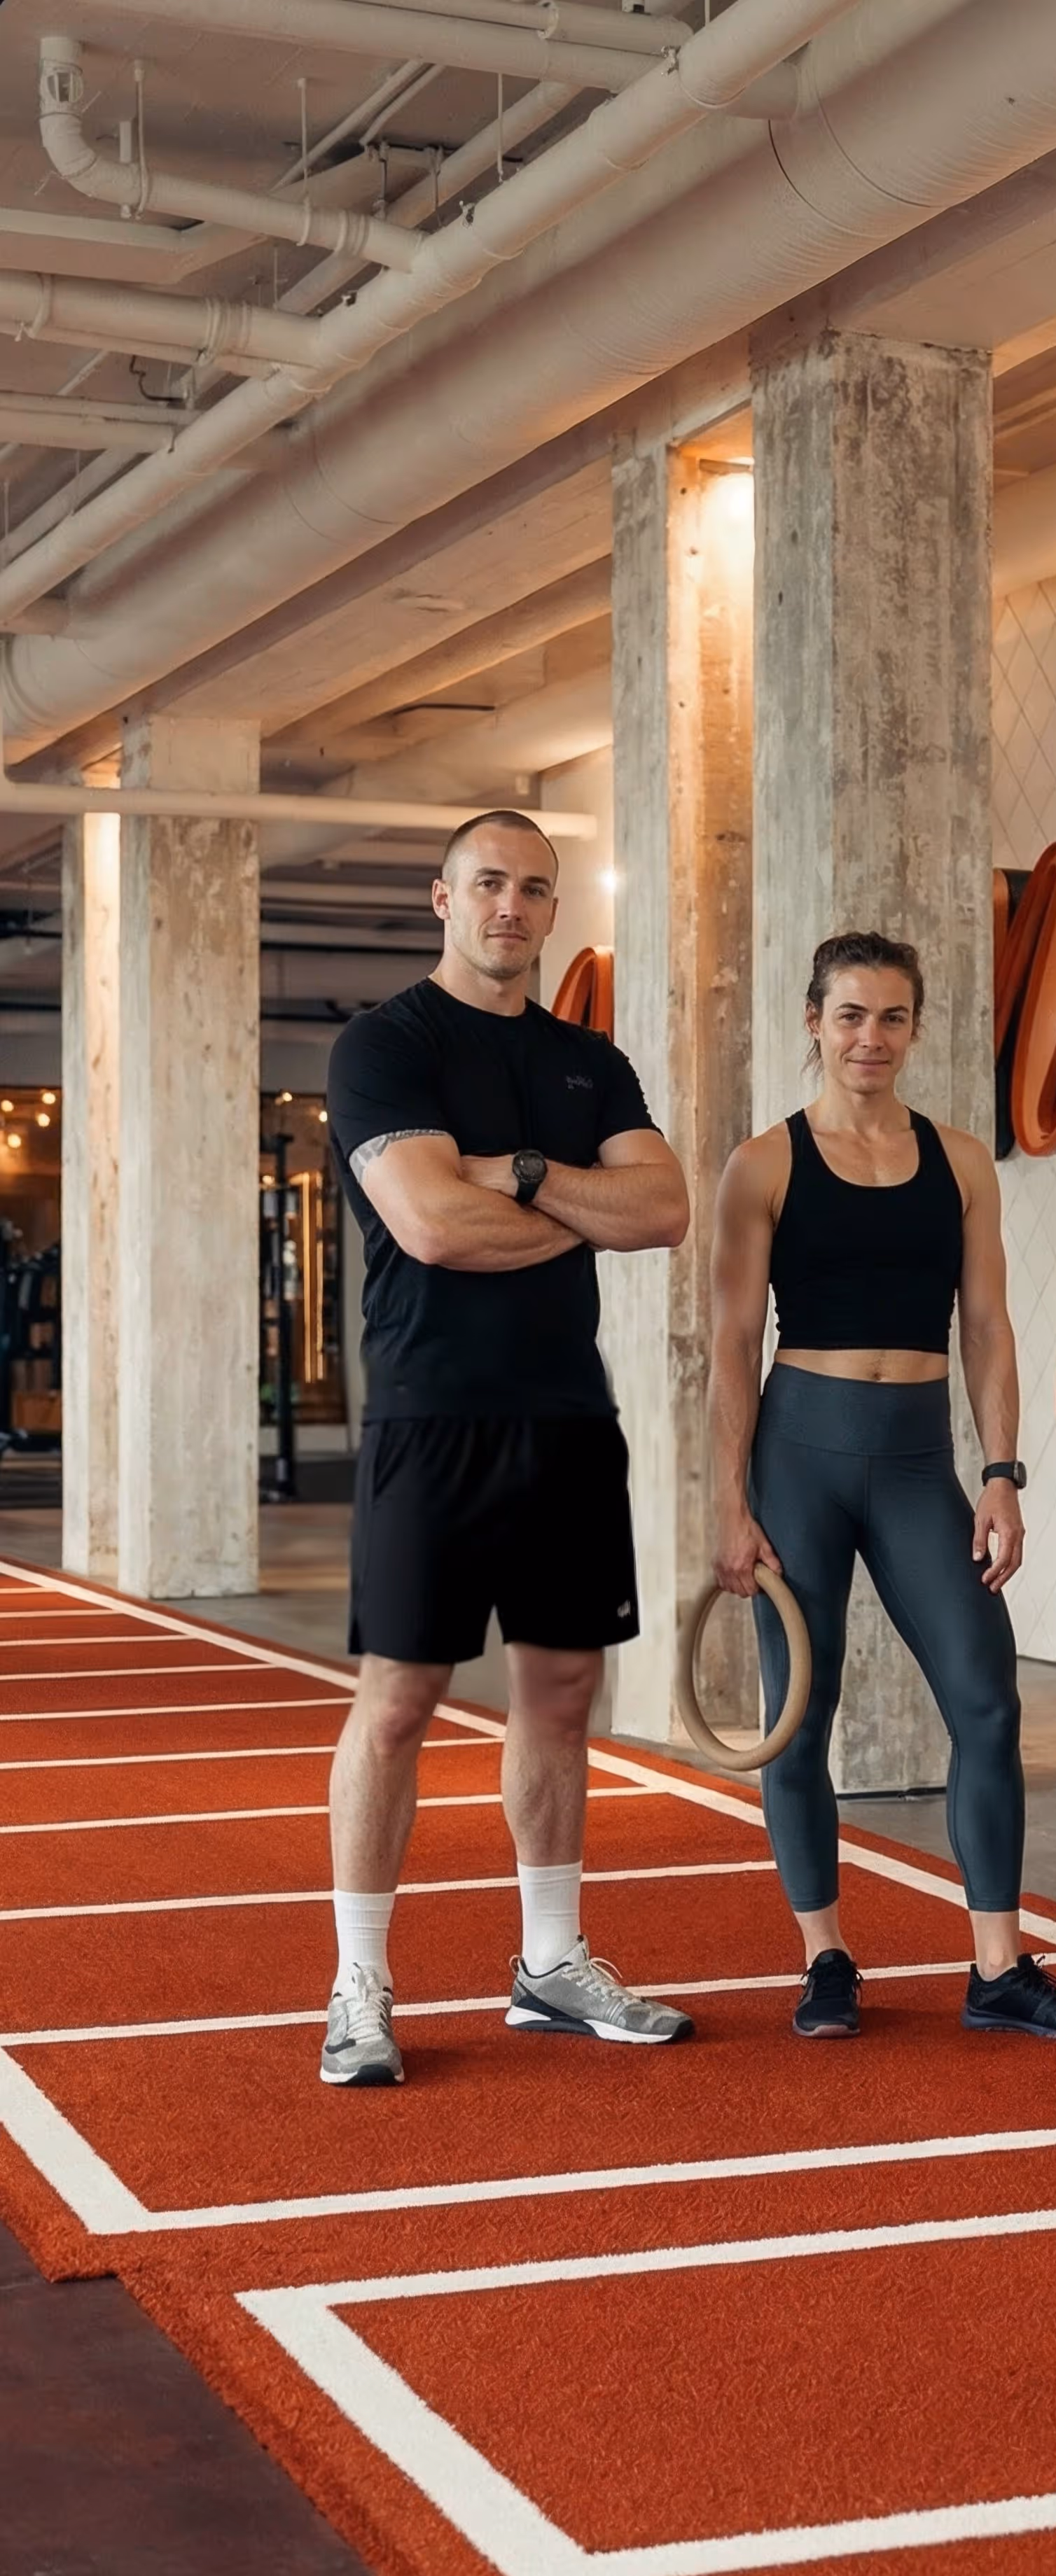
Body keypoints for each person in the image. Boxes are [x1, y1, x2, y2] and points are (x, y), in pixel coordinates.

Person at [318, 809, 693, 2087]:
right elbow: (429, 1225)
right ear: (441, 896)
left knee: (559, 1696)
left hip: (567, 1421)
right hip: (432, 1415)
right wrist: (577, 1209)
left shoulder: (588, 1061)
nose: (511, 908)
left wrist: (523, 1176)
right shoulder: (387, 1047)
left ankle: (547, 1963)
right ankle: (359, 1983)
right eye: (488, 884)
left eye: (535, 889)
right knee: (399, 1703)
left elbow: (665, 1207)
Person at [706, 929, 1056, 2042]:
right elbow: (733, 1343)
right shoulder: (766, 1162)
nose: (869, 1037)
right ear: (813, 1022)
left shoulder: (962, 1160)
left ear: (916, 1027)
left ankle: (997, 1964)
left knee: (985, 1699)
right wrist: (726, 1502)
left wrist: (1002, 1471)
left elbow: (987, 1325)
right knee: (801, 1716)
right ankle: (825, 1956)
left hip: (921, 1457)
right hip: (800, 1450)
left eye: (890, 1017)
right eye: (848, 1015)